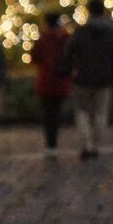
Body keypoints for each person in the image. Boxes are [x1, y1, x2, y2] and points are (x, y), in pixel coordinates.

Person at [67, 0, 113, 160]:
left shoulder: (80, 32)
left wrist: (72, 71)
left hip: (82, 78)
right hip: (103, 79)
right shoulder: (110, 33)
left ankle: (86, 144)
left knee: (82, 112)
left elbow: (69, 52)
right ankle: (96, 145)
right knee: (100, 114)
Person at [31, 12, 72, 156]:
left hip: (45, 82)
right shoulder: (66, 38)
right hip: (61, 82)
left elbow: (34, 57)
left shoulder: (43, 39)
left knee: (48, 114)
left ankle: (50, 144)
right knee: (56, 113)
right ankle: (53, 143)